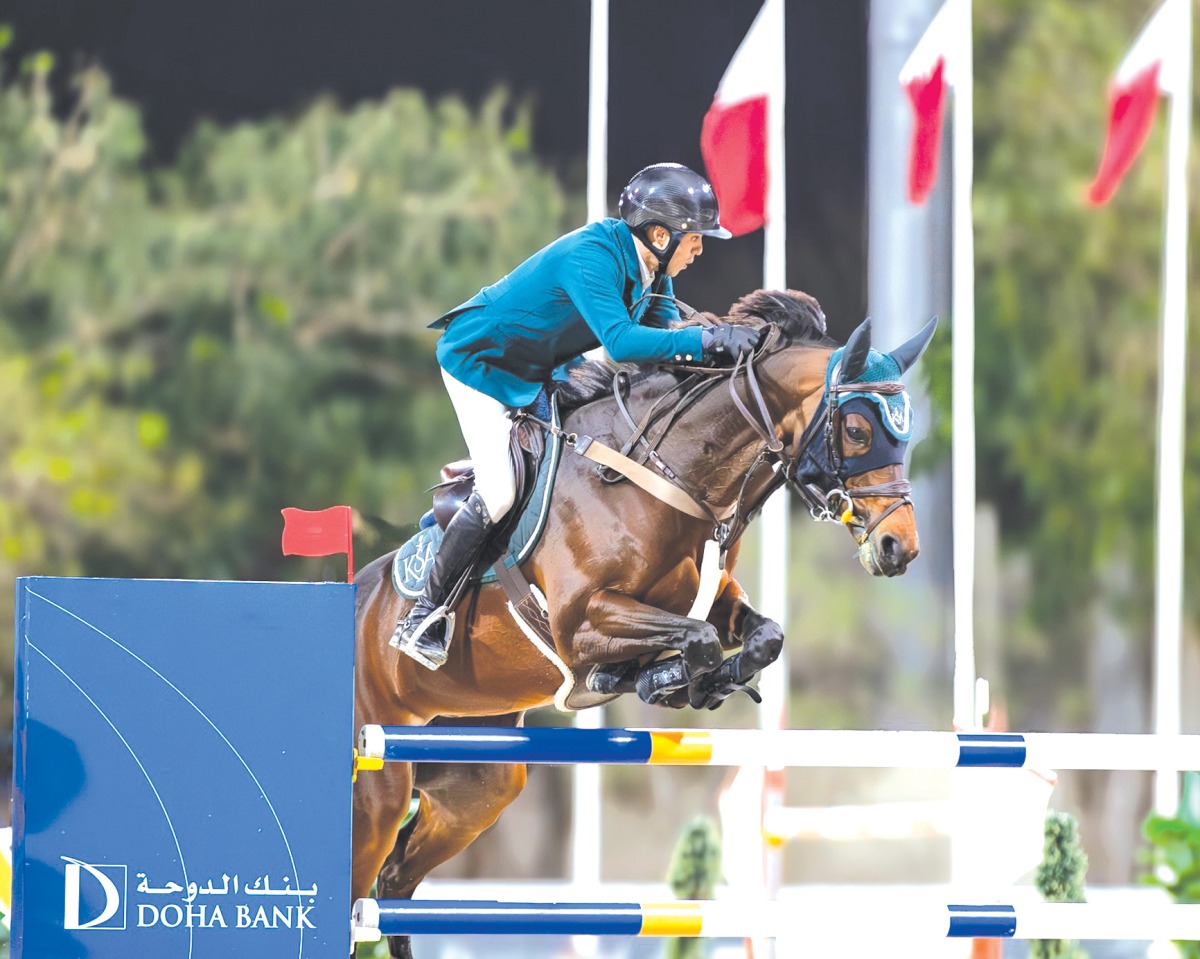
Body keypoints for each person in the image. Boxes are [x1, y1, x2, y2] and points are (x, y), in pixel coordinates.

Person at [393, 162, 762, 669]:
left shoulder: (652, 270)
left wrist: (723, 351)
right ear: (660, 234)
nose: (700, 249)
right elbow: (622, 342)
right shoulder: (592, 256)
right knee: (500, 490)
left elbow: (662, 344)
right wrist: (707, 338)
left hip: (537, 371)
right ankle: (424, 615)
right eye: (695, 238)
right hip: (478, 364)